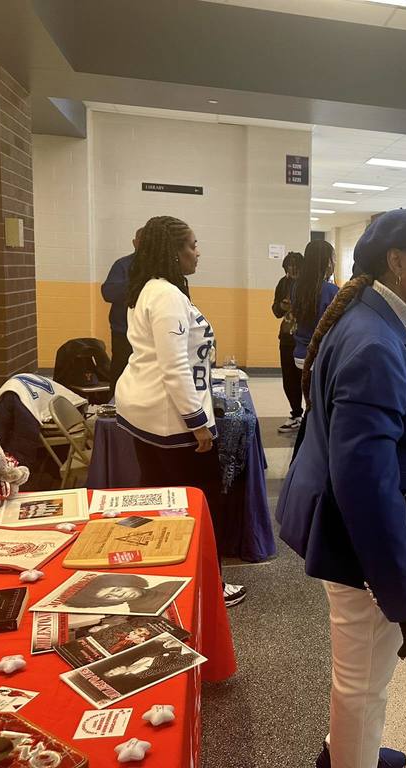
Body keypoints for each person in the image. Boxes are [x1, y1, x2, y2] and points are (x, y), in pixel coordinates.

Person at [276, 209, 406, 768]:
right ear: (396, 262)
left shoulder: (371, 322)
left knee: (359, 675)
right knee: (363, 683)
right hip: (366, 549)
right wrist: (403, 597)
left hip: (359, 539)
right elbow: (365, 483)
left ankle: (350, 751)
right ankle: (351, 758)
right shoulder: (375, 341)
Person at [115, 215, 246, 609]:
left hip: (145, 410)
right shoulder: (167, 296)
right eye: (192, 244)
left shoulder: (149, 290)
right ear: (173, 251)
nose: (197, 251)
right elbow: (174, 368)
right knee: (200, 507)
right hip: (170, 419)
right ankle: (207, 585)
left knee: (159, 500)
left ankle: (166, 579)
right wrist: (199, 423)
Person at [101, 227, 143, 391]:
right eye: (141, 240)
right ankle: (115, 407)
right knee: (120, 372)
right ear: (134, 242)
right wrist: (136, 282)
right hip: (123, 331)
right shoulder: (122, 265)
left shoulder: (162, 267)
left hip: (150, 333)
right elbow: (108, 293)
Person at [292, 240, 338, 370]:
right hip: (319, 355)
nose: (335, 262)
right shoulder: (331, 291)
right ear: (328, 262)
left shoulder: (296, 287)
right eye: (334, 258)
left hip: (299, 353)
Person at [272, 250, 304, 433]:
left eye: (295, 268)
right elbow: (275, 311)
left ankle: (311, 415)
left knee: (305, 378)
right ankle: (296, 414)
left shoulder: (309, 285)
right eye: (288, 268)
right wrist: (281, 307)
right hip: (286, 337)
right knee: (289, 379)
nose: (291, 272)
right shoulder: (283, 283)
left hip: (305, 337)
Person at [64, 573, 185, 614]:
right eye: (108, 596)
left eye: (117, 589)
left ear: (127, 582)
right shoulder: (140, 610)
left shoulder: (169, 584)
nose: (119, 595)